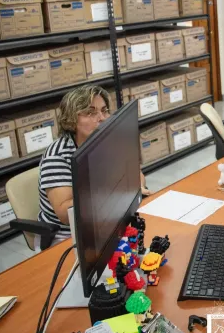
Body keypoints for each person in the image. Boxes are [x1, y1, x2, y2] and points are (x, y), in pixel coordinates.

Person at [38, 85, 152, 243]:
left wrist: (136, 187)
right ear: (71, 119)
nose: (102, 118)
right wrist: (113, 193)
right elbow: (65, 214)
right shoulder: (57, 156)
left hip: (108, 218)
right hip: (69, 235)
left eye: (104, 111)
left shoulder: (108, 140)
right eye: (90, 113)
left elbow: (134, 172)